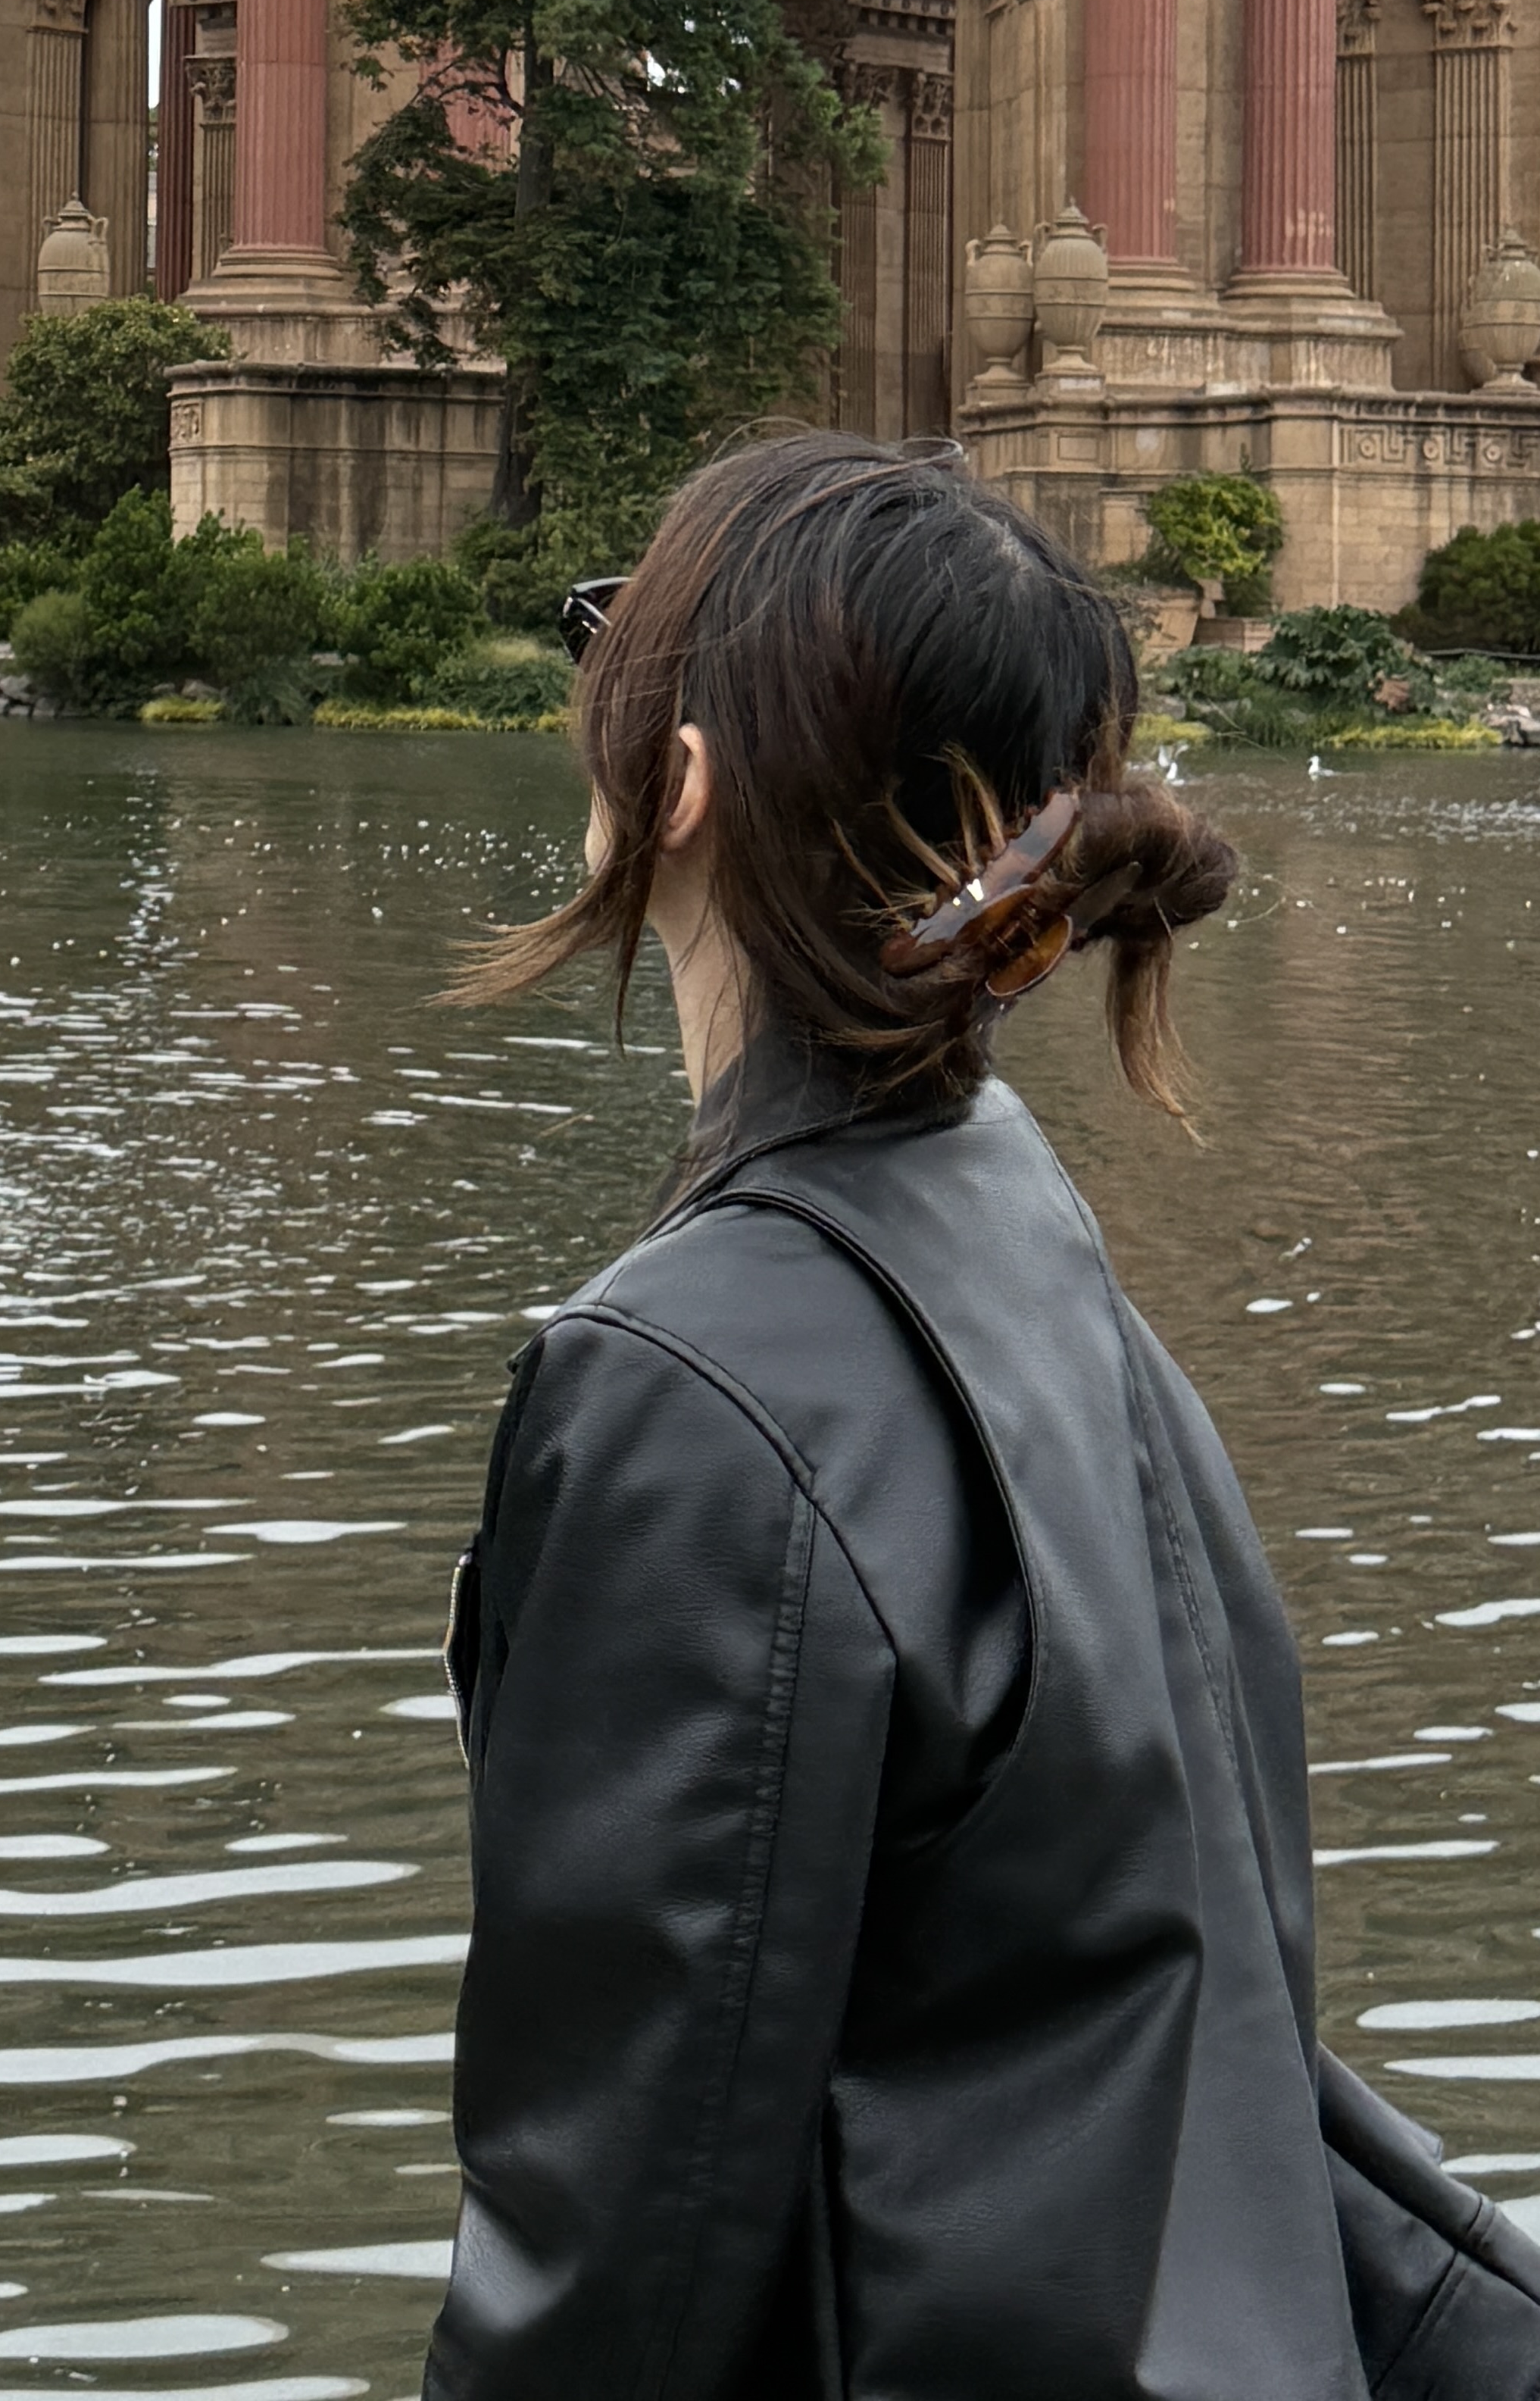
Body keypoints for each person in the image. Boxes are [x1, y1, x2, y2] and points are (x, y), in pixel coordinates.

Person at [423, 431, 1540, 2396]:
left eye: (611, 647)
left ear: (678, 781)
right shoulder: (1037, 1257)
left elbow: (615, 2256)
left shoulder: (686, 1382)